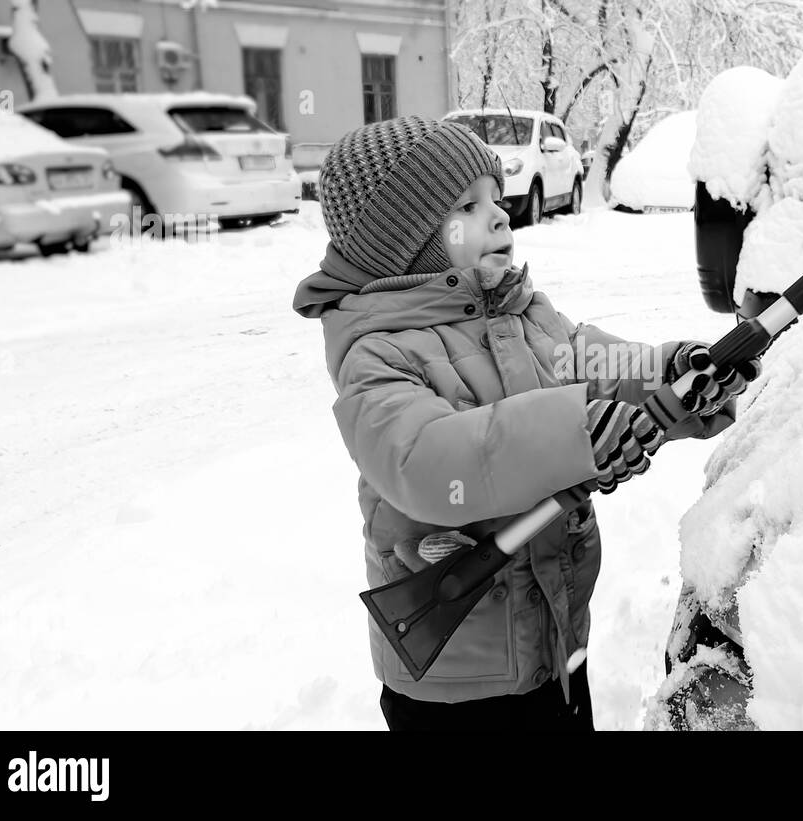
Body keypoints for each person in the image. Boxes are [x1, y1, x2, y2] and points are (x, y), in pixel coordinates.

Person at [293, 114, 759, 731]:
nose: (499, 214)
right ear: (403, 242)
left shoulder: (521, 312)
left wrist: (673, 373)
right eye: (468, 205)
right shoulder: (378, 353)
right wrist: (577, 433)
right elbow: (429, 461)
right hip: (458, 682)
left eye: (495, 197)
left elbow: (592, 366)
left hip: (554, 636)